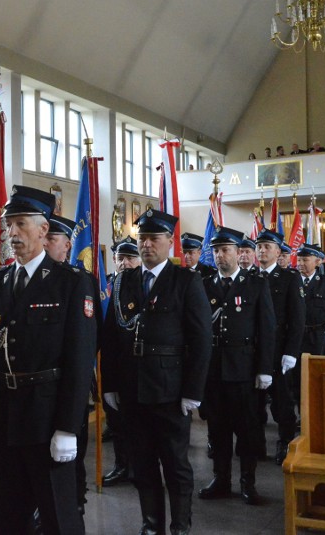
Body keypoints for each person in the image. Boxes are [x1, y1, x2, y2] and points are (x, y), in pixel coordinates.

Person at [0, 185, 95, 535]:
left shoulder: (71, 284)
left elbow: (80, 359)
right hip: (6, 415)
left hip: (47, 417)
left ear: (44, 230)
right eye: (7, 225)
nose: (12, 233)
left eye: (21, 224)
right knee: (10, 518)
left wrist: (69, 427)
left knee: (58, 518)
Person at [102, 209, 212, 534]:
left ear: (169, 241)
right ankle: (151, 525)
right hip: (132, 390)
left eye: (154, 239)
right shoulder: (124, 281)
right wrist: (110, 384)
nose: (147, 245)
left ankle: (180, 526)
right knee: (143, 465)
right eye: (142, 239)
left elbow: (201, 339)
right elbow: (111, 337)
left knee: (176, 465)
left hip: (170, 390)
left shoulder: (186, 281)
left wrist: (193, 391)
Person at [199, 226, 274, 506]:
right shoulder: (204, 284)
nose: (220, 256)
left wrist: (265, 368)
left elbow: (267, 329)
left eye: (226, 250)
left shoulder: (255, 284)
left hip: (244, 369)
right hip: (213, 370)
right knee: (217, 429)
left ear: (238, 252)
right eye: (216, 251)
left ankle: (247, 482)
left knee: (247, 430)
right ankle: (221, 479)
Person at [43, 213, 93, 518]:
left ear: (68, 245)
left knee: (72, 457)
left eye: (52, 239)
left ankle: (76, 500)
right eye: (45, 237)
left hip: (71, 384)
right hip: (38, 392)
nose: (46, 243)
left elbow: (87, 341)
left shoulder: (78, 281)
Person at [253, 229, 305, 465]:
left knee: (282, 402)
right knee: (254, 403)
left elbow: (297, 319)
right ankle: (256, 443)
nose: (262, 250)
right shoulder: (249, 276)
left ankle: (285, 442)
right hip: (253, 350)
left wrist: (291, 353)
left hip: (279, 349)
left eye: (267, 247)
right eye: (259, 246)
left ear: (277, 251)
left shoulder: (289, 278)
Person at [101, 235, 140, 488]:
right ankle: (121, 465)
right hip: (113, 365)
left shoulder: (144, 286)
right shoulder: (107, 287)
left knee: (138, 425)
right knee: (116, 421)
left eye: (129, 258)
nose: (124, 263)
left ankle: (140, 467)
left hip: (138, 367)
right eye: (119, 258)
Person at [293, 244, 325, 410]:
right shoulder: (292, 280)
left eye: (305, 259)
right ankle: (302, 412)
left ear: (318, 262)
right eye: (298, 259)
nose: (300, 263)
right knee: (297, 376)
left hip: (318, 336)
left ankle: (318, 410)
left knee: (317, 375)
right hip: (296, 336)